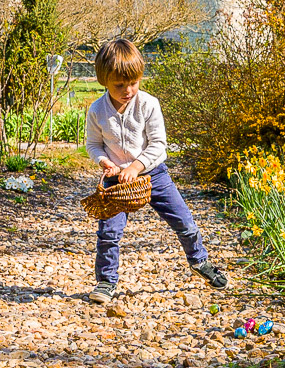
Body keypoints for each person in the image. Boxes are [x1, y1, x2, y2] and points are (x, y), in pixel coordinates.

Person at [82, 38, 228, 304]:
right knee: (109, 233)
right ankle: (106, 281)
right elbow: (93, 144)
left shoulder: (148, 104)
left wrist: (137, 166)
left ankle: (199, 261)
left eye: (133, 83)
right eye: (119, 85)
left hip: (154, 174)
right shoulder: (96, 110)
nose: (128, 90)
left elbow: (159, 145)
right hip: (117, 182)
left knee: (184, 221)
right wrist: (104, 161)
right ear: (104, 80)